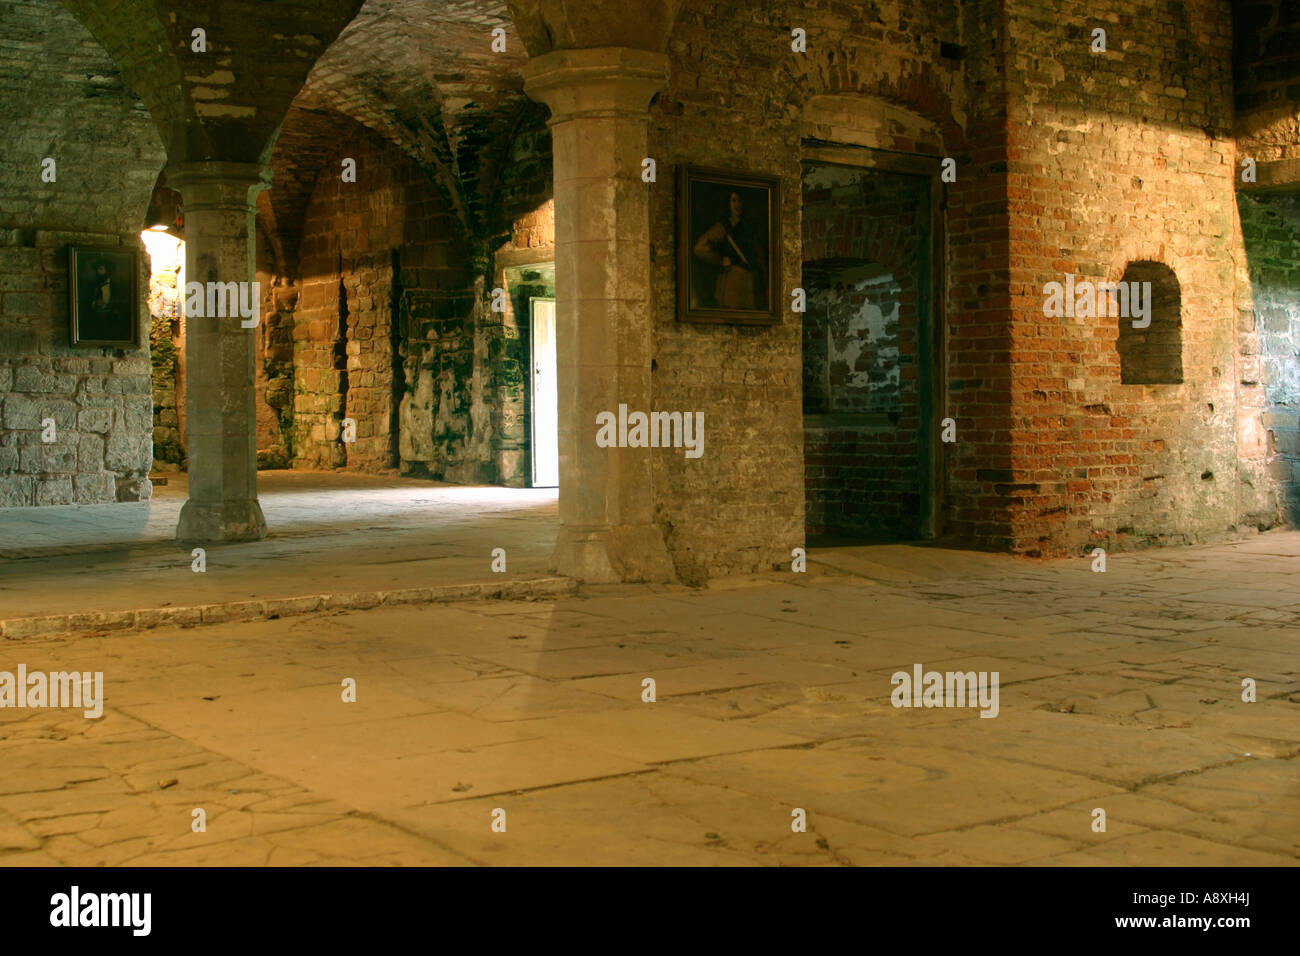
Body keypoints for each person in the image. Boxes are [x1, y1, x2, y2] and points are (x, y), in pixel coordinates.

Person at [692, 190, 766, 310]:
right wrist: (720, 260)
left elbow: (759, 256)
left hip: (751, 283)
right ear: (728, 203)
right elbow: (700, 248)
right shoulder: (724, 226)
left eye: (740, 200)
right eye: (734, 200)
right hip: (733, 281)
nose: (738, 204)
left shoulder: (750, 226)